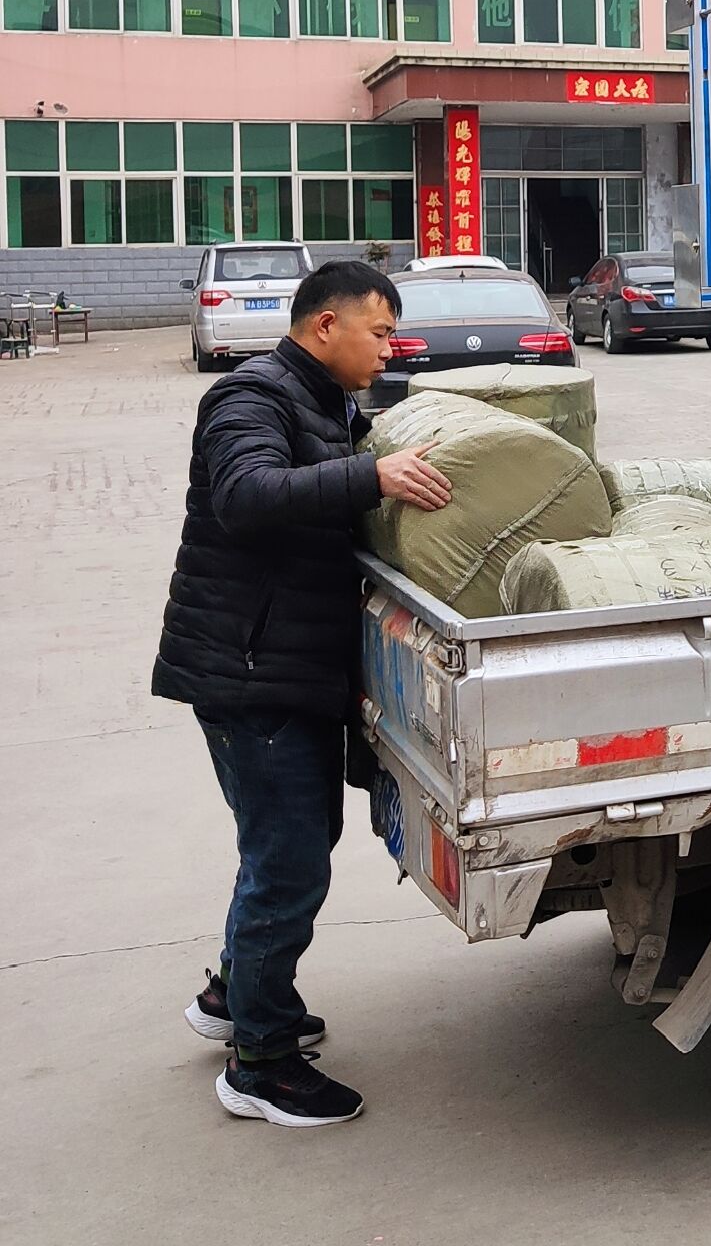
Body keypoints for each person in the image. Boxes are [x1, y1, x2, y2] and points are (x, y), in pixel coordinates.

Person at [153, 259, 452, 1127]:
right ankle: (261, 1065)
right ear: (326, 326)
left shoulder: (327, 401)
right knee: (286, 863)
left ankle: (233, 996)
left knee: (292, 844)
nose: (390, 349)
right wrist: (372, 478)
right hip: (251, 672)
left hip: (288, 668)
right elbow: (245, 496)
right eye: (380, 333)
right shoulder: (251, 397)